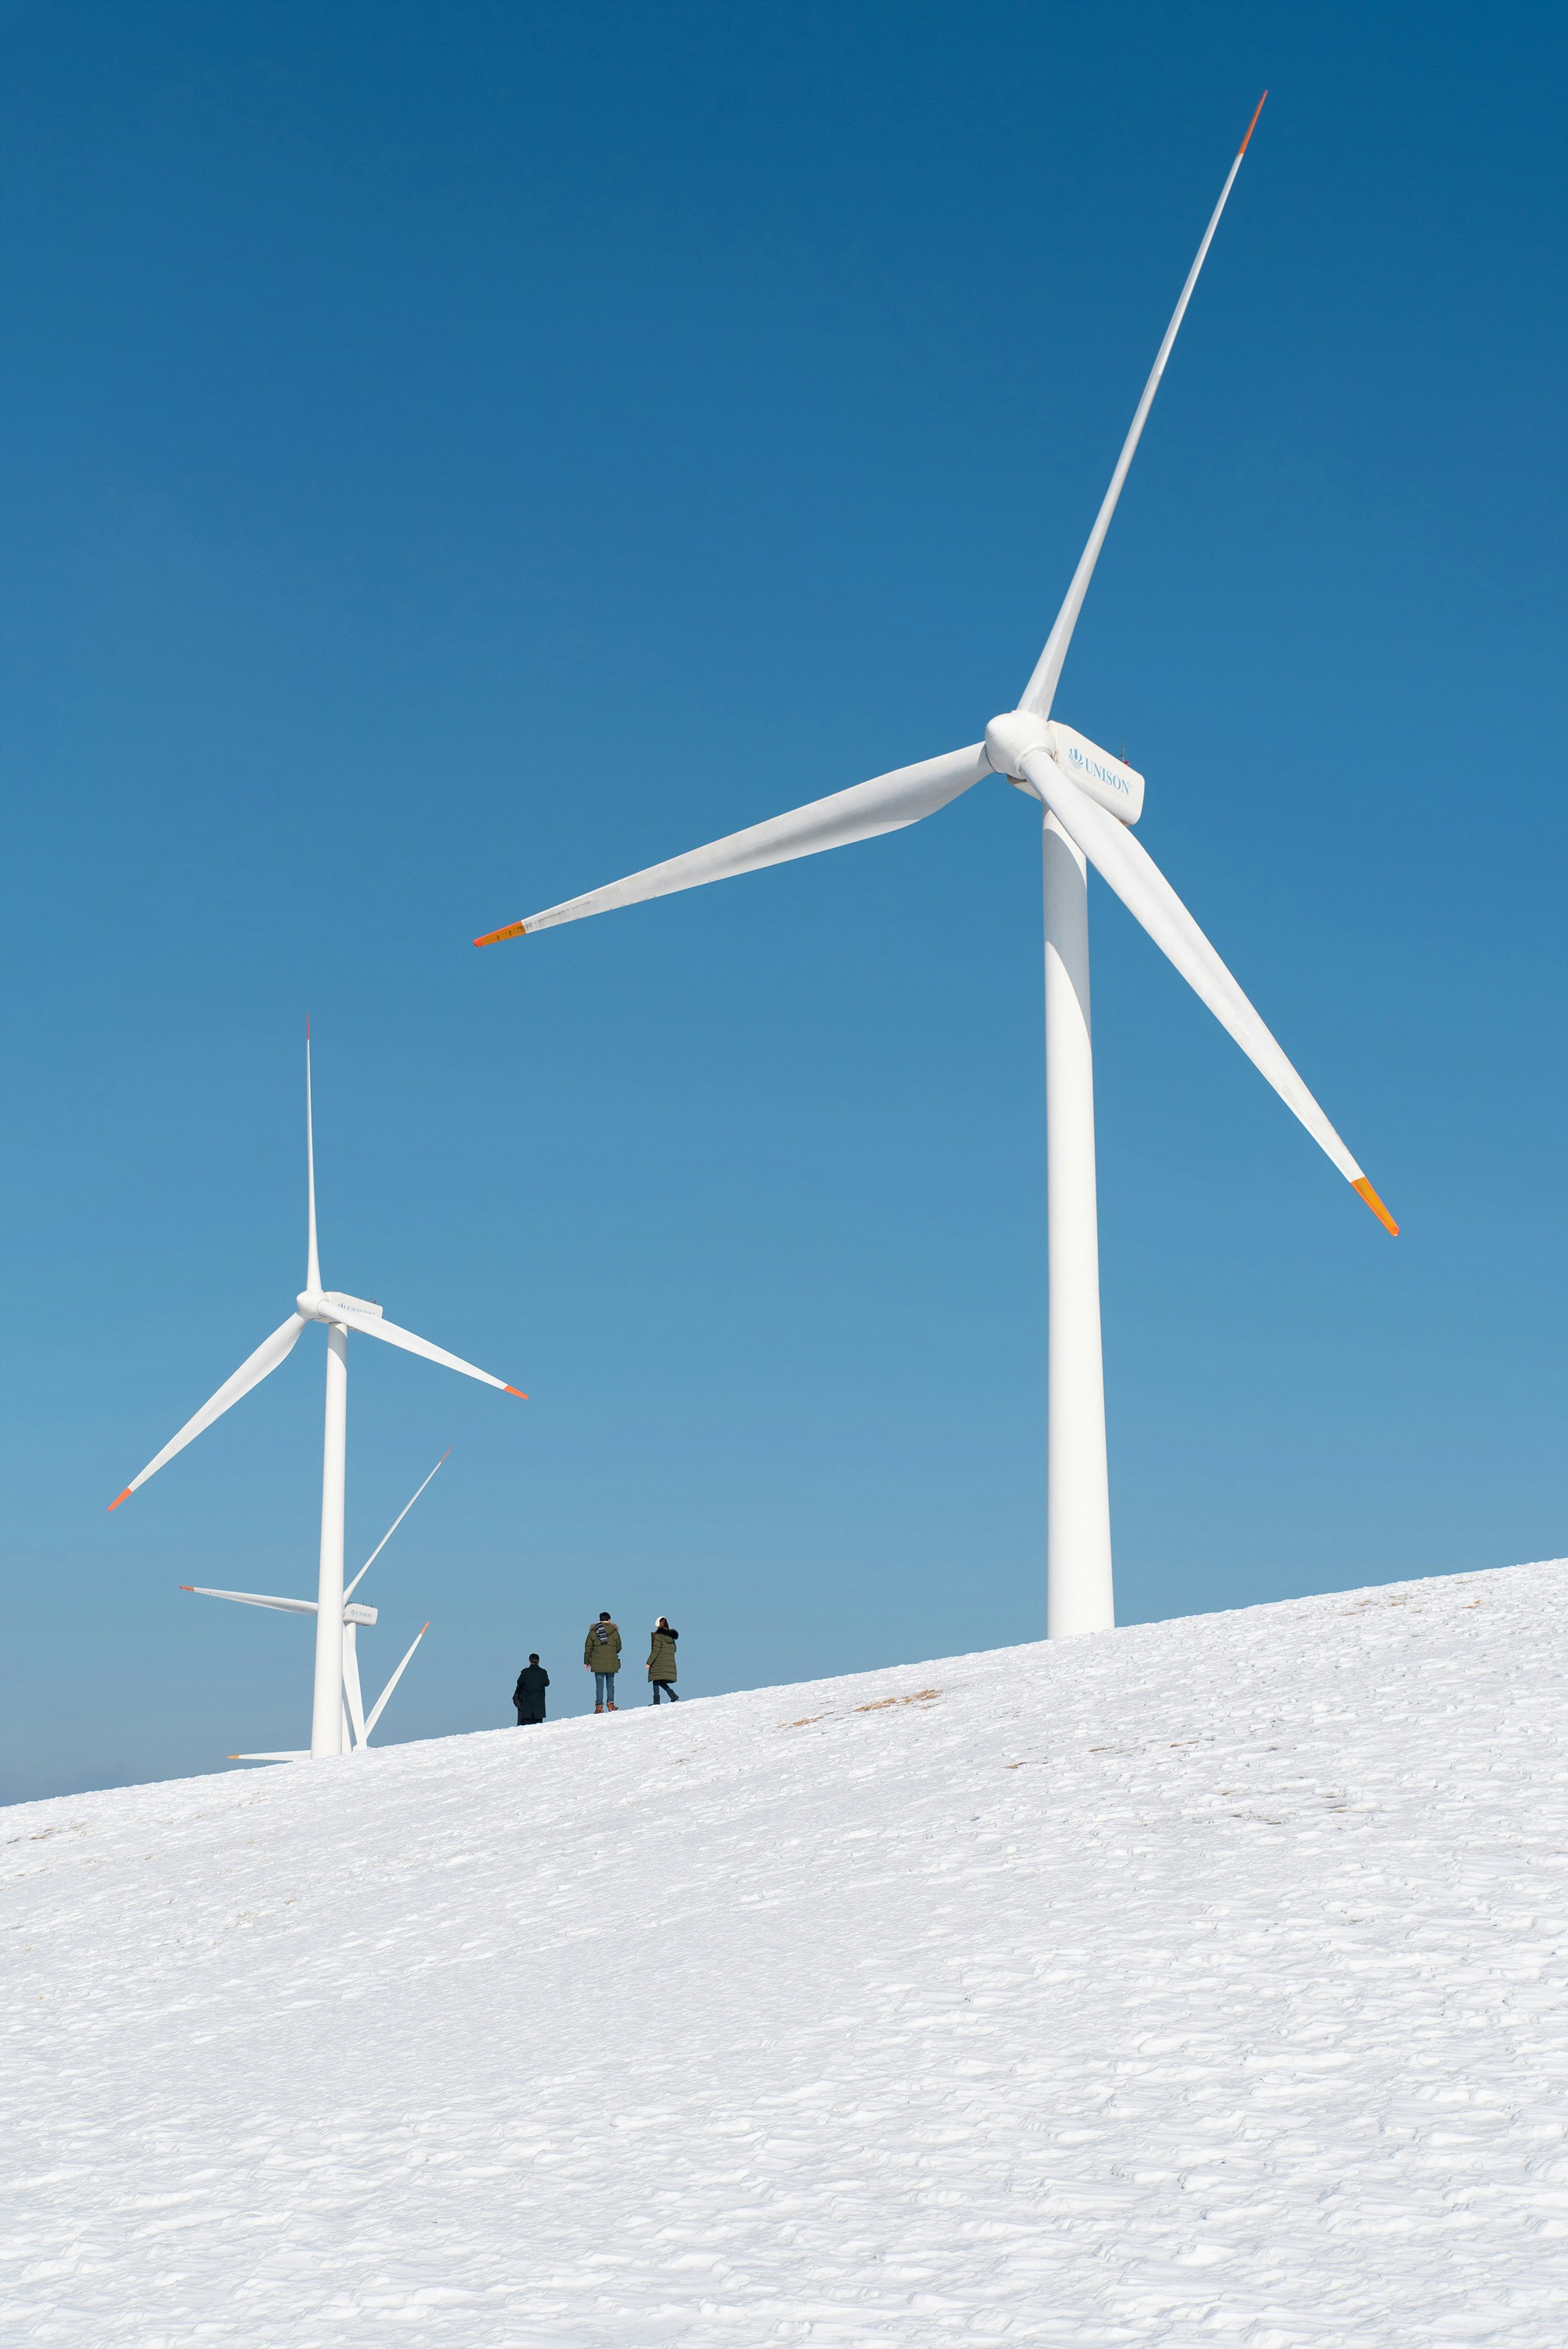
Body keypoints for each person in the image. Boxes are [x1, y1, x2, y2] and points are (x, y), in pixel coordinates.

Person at [583, 1611, 622, 1711]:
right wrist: (612, 1653)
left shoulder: (593, 1632)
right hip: (611, 1662)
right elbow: (619, 1648)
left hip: (597, 1662)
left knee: (599, 1686)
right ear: (609, 1620)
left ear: (600, 1620)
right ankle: (610, 1704)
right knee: (610, 1684)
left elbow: (588, 1647)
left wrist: (586, 1661)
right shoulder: (615, 1632)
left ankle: (599, 1706)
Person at [647, 1616, 679, 1702]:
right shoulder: (671, 1637)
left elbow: (655, 1650)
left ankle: (656, 1702)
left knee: (655, 1679)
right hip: (669, 1662)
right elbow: (675, 1649)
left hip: (659, 1661)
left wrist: (649, 1663)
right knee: (659, 1680)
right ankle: (673, 1696)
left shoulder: (658, 1636)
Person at [513, 1653, 549, 1725]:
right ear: (539, 1661)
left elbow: (519, 1683)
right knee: (537, 1731)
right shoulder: (543, 1672)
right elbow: (547, 1683)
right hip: (539, 1708)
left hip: (526, 1708)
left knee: (525, 1731)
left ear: (530, 1661)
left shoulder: (525, 1672)